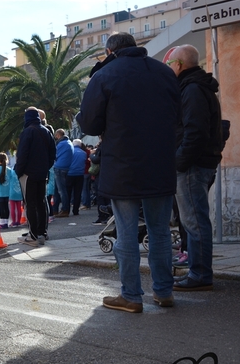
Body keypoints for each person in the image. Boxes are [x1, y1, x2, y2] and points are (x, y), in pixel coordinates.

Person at [77, 32, 180, 313]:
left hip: (123, 164)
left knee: (125, 232)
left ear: (110, 51)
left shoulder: (106, 75)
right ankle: (164, 291)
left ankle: (131, 296)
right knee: (159, 231)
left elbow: (89, 124)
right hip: (159, 162)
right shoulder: (164, 72)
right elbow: (178, 115)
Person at [167, 44, 223, 292]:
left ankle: (200, 274)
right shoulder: (197, 87)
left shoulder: (192, 90)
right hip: (196, 163)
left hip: (191, 166)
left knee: (195, 222)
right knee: (195, 221)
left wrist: (178, 162)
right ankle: (199, 272)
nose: (169, 68)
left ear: (179, 65)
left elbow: (194, 132)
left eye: (170, 64)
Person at [13, 107, 56, 246]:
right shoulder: (46, 131)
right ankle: (41, 232)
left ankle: (32, 236)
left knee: (30, 204)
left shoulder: (28, 132)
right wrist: (45, 167)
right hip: (42, 173)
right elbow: (52, 154)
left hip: (29, 174)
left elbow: (22, 154)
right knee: (41, 202)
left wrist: (18, 171)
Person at [52, 129, 73, 218]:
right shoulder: (69, 143)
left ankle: (65, 209)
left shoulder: (60, 144)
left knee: (61, 190)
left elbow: (54, 155)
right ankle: (55, 210)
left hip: (59, 168)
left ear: (58, 135)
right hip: (66, 168)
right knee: (58, 190)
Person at [66, 139, 87, 216]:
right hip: (80, 174)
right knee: (77, 193)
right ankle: (76, 210)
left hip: (70, 174)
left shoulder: (70, 152)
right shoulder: (84, 153)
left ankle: (66, 209)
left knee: (68, 192)